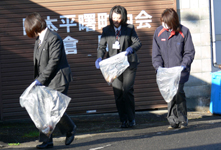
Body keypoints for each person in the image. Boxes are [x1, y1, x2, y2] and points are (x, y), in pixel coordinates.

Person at [24, 12, 76, 149]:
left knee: (54, 109)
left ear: (34, 27)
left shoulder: (54, 38)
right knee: (43, 110)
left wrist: (39, 80)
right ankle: (47, 141)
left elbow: (53, 62)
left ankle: (70, 128)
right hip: (45, 80)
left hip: (59, 78)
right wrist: (37, 81)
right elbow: (39, 64)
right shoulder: (39, 40)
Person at [95, 5, 142, 128]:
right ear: (111, 17)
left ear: (123, 18)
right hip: (114, 66)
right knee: (118, 93)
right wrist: (99, 58)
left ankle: (132, 119)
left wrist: (131, 48)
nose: (116, 20)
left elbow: (138, 42)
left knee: (127, 90)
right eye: (114, 17)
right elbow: (101, 47)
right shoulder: (106, 30)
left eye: (119, 18)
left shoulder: (129, 28)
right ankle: (123, 120)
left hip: (128, 63)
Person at [152, 8, 195, 129]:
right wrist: (158, 67)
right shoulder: (158, 32)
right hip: (166, 72)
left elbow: (189, 52)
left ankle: (182, 119)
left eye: (167, 23)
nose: (164, 24)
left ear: (173, 22)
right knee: (170, 95)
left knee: (178, 93)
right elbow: (156, 54)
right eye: (163, 22)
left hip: (180, 71)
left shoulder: (184, 32)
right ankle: (172, 120)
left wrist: (184, 65)